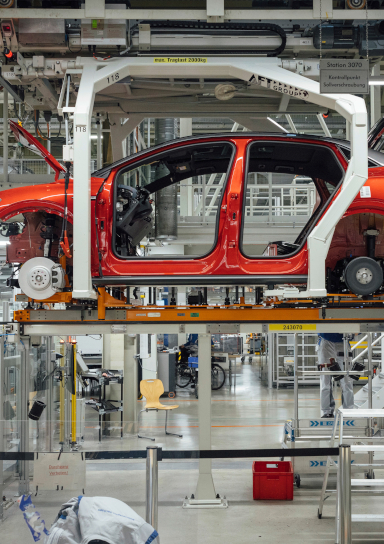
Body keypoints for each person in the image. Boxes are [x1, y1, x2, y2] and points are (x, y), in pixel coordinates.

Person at [317, 333, 354, 418]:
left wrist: (354, 331)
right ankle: (327, 412)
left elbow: (358, 326)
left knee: (347, 380)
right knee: (325, 380)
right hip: (325, 340)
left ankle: (348, 411)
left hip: (344, 341)